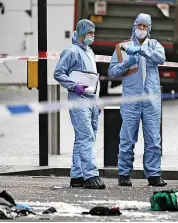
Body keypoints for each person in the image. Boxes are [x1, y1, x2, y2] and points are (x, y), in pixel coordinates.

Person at [108, 13, 167, 187]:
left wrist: (142, 50)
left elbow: (161, 58)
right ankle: (124, 173)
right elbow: (112, 72)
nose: (141, 29)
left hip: (151, 100)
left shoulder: (154, 45)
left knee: (153, 139)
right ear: (133, 26)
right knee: (127, 138)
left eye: (145, 26)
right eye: (139, 25)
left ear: (149, 29)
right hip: (131, 100)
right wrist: (127, 62)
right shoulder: (122, 48)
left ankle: (154, 174)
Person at [54, 19, 105, 189]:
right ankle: (90, 175)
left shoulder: (90, 52)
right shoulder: (71, 51)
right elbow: (58, 73)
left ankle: (77, 175)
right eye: (89, 32)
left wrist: (96, 101)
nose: (92, 36)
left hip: (91, 98)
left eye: (93, 32)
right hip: (78, 99)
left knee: (84, 138)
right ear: (81, 33)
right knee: (86, 137)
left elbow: (93, 78)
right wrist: (73, 86)